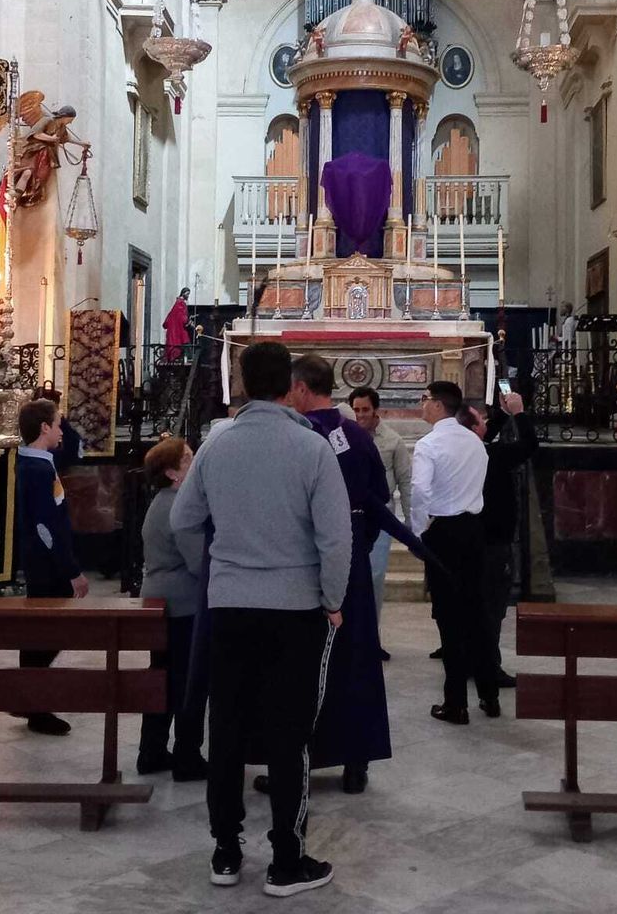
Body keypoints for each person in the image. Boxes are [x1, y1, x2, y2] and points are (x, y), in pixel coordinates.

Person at [170, 342, 351, 898]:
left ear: (243, 383)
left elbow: (183, 519)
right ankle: (287, 861)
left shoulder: (217, 445)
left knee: (224, 729)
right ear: (288, 384)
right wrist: (332, 599)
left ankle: (226, 853)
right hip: (295, 608)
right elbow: (335, 537)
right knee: (289, 734)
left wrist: (217, 569)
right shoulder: (311, 447)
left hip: (228, 605)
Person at [282, 357, 432, 795]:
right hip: (351, 564)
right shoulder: (354, 434)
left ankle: (295, 762)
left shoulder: (296, 435)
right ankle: (356, 761)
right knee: (356, 660)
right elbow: (378, 496)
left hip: (305, 566)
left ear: (302, 389)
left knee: (301, 665)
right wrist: (361, 543)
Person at [410, 381, 495, 724]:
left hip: (443, 533)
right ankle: (489, 695)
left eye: (424, 399)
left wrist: (417, 533)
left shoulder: (429, 444)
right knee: (476, 613)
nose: (421, 404)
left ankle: (456, 702)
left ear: (438, 405)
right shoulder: (475, 442)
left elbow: (419, 489)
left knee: (449, 620)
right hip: (474, 531)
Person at [13, 397, 88, 737]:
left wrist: (58, 414)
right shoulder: (36, 468)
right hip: (48, 566)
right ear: (44, 428)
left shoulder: (38, 461)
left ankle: (30, 697)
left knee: (42, 633)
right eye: (57, 423)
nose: (61, 429)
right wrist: (71, 570)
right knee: (48, 634)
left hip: (45, 563)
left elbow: (71, 444)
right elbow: (46, 528)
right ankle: (34, 703)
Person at [136, 437, 208, 782]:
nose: (195, 463)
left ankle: (151, 751)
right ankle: (187, 757)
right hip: (182, 604)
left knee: (161, 679)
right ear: (172, 473)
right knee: (187, 683)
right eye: (188, 458)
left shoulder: (162, 501)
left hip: (160, 600)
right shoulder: (180, 506)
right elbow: (198, 562)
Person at [459, 393, 537, 688]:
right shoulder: (493, 456)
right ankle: (488, 667)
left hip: (469, 539)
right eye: (482, 421)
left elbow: (485, 436)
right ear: (474, 429)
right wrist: (519, 413)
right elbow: (528, 445)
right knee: (491, 609)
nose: (486, 423)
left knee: (473, 605)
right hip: (494, 543)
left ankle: (468, 659)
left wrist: (502, 416)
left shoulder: (465, 452)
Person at [348, 386, 410, 661]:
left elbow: (405, 481)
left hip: (379, 516)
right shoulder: (343, 436)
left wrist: (411, 520)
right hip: (348, 516)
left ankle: (370, 637)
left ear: (377, 411)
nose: (360, 415)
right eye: (356, 410)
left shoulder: (392, 441)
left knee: (374, 577)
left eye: (365, 410)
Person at [163, 288, 193, 363]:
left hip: (174, 330)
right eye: (187, 294)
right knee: (184, 344)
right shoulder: (180, 303)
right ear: (183, 293)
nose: (188, 296)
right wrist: (188, 322)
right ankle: (186, 360)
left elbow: (169, 318)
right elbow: (182, 316)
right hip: (179, 330)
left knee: (175, 346)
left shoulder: (177, 303)